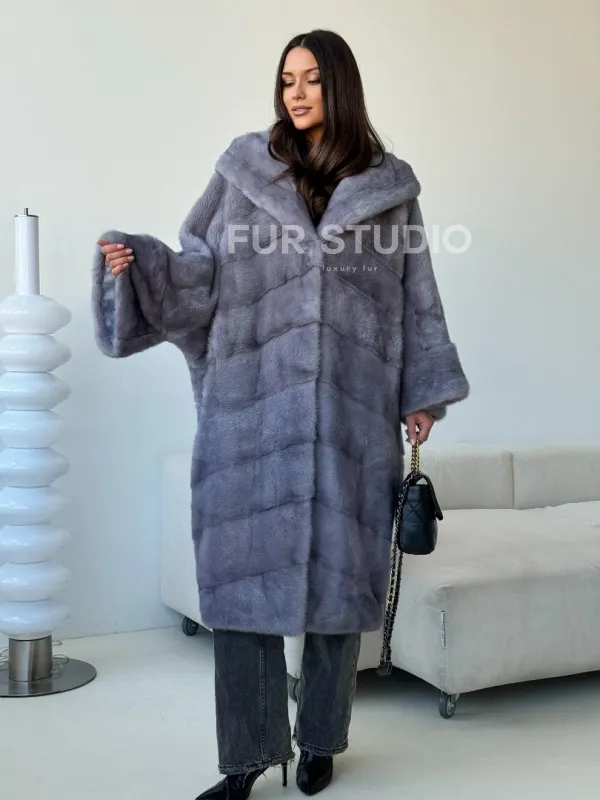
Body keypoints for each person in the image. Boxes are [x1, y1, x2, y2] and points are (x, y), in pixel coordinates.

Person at [93, 28, 469, 800]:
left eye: (311, 80)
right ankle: (245, 759)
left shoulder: (389, 189)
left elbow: (416, 296)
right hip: (250, 414)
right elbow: (199, 266)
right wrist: (140, 262)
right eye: (287, 79)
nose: (296, 93)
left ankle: (321, 739)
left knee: (340, 594)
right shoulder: (243, 171)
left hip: (349, 422)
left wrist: (421, 394)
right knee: (240, 595)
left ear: (340, 86)